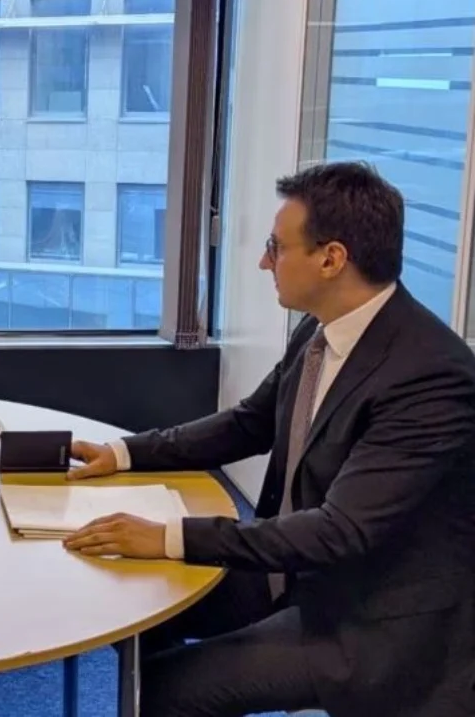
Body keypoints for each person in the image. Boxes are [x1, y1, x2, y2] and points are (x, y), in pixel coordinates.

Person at [63, 162, 475, 716]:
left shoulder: (430, 376)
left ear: (331, 259)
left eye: (276, 247)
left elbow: (340, 531)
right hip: (296, 567)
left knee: (162, 691)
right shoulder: (321, 328)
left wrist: (169, 536)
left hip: (371, 617)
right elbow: (249, 422)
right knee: (132, 608)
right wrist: (125, 453)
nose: (264, 262)